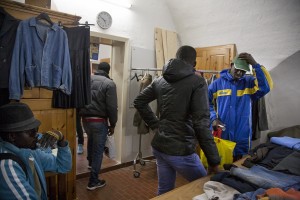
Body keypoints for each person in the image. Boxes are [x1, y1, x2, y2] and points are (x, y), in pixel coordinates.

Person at [134, 45, 220, 195]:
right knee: (207, 189)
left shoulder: (160, 80)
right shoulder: (198, 82)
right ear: (194, 64)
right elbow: (201, 123)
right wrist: (213, 160)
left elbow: (139, 101)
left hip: (160, 146)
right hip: (181, 150)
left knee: (164, 190)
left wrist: (156, 125)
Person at [208, 53, 273, 161]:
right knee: (221, 160)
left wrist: (255, 64)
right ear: (231, 64)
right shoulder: (217, 84)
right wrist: (213, 118)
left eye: (243, 71)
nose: (239, 73)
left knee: (238, 162)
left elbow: (265, 87)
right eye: (237, 69)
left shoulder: (249, 83)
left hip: (241, 132)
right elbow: (206, 103)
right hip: (223, 130)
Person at [0, 102, 72, 200]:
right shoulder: (7, 166)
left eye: (36, 129)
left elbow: (63, 166)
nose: (36, 135)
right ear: (12, 136)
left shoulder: (29, 150)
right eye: (31, 132)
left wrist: (61, 140)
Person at [79, 62, 118, 191]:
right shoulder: (109, 83)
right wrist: (113, 124)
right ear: (108, 70)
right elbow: (112, 107)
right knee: (98, 151)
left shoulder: (86, 80)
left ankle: (91, 164)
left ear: (97, 69)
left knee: (91, 140)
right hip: (99, 120)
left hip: (85, 120)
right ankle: (93, 181)